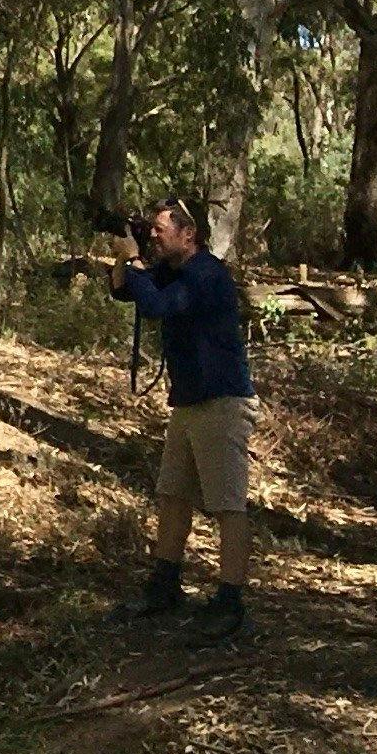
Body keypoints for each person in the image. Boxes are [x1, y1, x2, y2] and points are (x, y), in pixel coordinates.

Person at [109, 194, 256, 638]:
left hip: (221, 402)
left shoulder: (207, 274)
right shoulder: (171, 271)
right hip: (189, 403)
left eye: (160, 229)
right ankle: (165, 585)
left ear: (188, 233)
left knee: (228, 505)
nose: (153, 236)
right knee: (172, 495)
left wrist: (135, 263)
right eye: (150, 229)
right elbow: (122, 291)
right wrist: (123, 256)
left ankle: (230, 601)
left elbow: (156, 306)